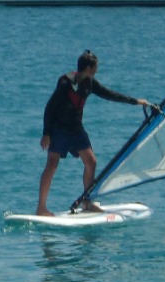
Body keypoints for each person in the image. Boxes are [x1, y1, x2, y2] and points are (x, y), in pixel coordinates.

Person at [36, 49, 149, 216]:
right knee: (52, 165)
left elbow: (110, 94)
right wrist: (46, 133)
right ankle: (41, 207)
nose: (97, 70)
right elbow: (50, 108)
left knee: (91, 162)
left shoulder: (89, 83)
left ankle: (87, 202)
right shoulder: (66, 82)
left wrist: (136, 102)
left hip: (76, 129)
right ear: (88, 68)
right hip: (59, 129)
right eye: (95, 67)